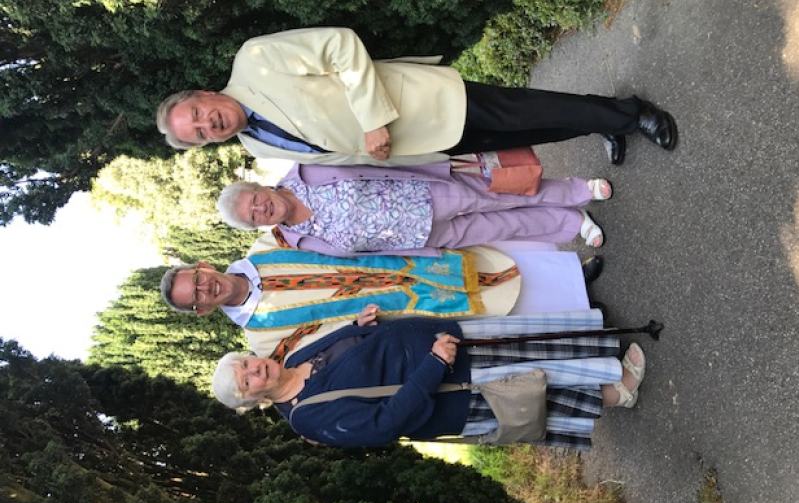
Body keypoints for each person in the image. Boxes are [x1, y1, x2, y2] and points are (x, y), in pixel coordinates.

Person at [156, 27, 677, 167]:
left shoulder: (254, 61)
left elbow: (339, 44)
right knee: (535, 131)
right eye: (199, 134)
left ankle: (632, 114)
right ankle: (602, 119)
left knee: (531, 110)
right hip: (421, 145)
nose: (209, 125)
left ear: (202, 93)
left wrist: (371, 119)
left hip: (419, 104)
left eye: (199, 114)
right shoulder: (257, 149)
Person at [211, 312, 647, 449]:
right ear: (254, 400)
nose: (254, 371)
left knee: (535, 354)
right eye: (246, 382)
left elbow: (351, 346)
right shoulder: (306, 418)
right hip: (449, 388)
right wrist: (433, 365)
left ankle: (604, 355)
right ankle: (618, 389)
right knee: (536, 393)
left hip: (444, 344)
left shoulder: (296, 355)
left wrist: (358, 325)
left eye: (245, 364)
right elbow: (383, 424)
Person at [159, 231, 522, 362]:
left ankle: (576, 271)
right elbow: (327, 353)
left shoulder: (270, 243)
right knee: (512, 315)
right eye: (196, 298)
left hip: (405, 258)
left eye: (197, 280)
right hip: (406, 313)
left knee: (507, 262)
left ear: (203, 266)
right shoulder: (263, 340)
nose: (205, 289)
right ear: (203, 311)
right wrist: (355, 328)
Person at [217, 162, 610, 252]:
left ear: (259, 186)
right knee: (505, 228)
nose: (261, 210)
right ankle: (572, 222)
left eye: (254, 200)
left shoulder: (304, 172)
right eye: (253, 217)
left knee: (503, 195)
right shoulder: (299, 241)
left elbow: (363, 161)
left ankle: (578, 191)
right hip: (421, 236)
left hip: (425, 193)